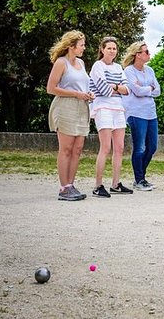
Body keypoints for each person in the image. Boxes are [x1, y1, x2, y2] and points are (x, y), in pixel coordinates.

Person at [46, 30, 94, 201]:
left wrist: (87, 94)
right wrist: (75, 94)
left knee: (78, 149)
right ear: (71, 46)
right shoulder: (61, 62)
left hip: (81, 108)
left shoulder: (81, 63)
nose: (84, 48)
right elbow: (51, 89)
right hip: (65, 108)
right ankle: (64, 188)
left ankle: (71, 185)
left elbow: (81, 85)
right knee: (66, 149)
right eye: (81, 45)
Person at [89, 36, 133, 197]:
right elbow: (102, 89)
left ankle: (115, 184)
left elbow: (127, 89)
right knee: (106, 147)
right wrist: (117, 88)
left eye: (114, 48)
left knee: (119, 147)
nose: (112, 51)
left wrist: (114, 86)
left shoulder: (118, 67)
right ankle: (98, 185)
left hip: (118, 108)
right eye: (109, 48)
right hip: (103, 107)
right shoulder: (97, 66)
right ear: (102, 49)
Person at [122, 41, 161, 191]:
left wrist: (145, 88)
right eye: (146, 52)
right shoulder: (129, 71)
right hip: (136, 113)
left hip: (151, 113)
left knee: (152, 147)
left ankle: (141, 177)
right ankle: (139, 179)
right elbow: (136, 91)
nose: (149, 54)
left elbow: (158, 90)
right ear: (137, 55)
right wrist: (148, 88)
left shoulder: (149, 70)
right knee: (139, 147)